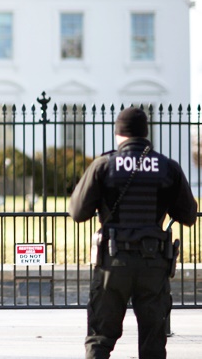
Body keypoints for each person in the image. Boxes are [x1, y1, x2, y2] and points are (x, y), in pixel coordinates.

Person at [69, 107, 197, 359]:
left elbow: (77, 211)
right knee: (153, 344)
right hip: (153, 264)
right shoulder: (167, 167)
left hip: (113, 264)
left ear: (118, 134)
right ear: (146, 134)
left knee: (100, 339)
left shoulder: (104, 164)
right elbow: (189, 216)